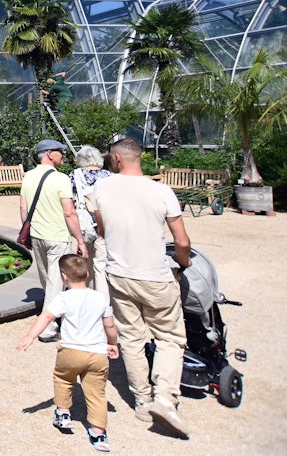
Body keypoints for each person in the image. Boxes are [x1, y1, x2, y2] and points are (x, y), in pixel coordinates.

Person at [90, 138, 192, 437]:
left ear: (118, 159)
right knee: (170, 337)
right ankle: (165, 397)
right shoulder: (161, 191)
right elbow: (182, 241)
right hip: (155, 275)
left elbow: (102, 230)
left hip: (119, 274)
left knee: (131, 339)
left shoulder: (102, 189)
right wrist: (183, 264)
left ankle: (142, 401)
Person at [17, 254, 119, 453]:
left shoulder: (63, 298)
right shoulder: (100, 298)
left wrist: (30, 336)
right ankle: (99, 433)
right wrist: (113, 343)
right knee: (97, 393)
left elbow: (46, 316)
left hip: (71, 350)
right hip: (97, 353)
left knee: (63, 380)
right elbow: (110, 325)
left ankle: (63, 414)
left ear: (63, 277)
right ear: (87, 274)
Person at [20, 139, 88, 343]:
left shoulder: (29, 176)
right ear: (49, 154)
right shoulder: (61, 179)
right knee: (55, 283)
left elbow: (23, 207)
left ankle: (52, 317)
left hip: (37, 235)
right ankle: (47, 329)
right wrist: (81, 241)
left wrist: (28, 231)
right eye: (60, 152)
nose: (63, 156)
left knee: (47, 280)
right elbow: (70, 213)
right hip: (57, 236)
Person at [69, 145, 111, 299]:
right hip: (104, 223)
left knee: (86, 259)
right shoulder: (108, 176)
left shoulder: (74, 175)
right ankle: (103, 300)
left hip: (84, 223)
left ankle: (88, 293)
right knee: (101, 263)